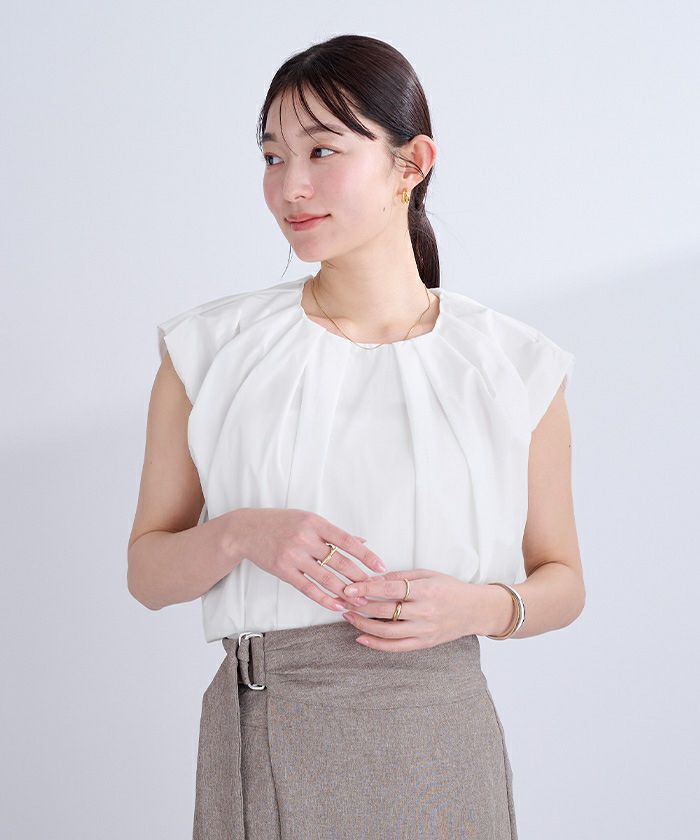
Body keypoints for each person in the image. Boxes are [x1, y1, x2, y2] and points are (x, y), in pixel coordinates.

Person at [128, 34, 584, 840]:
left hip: (443, 741)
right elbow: (147, 574)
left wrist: (477, 606)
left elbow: (564, 580)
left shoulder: (512, 364)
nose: (290, 186)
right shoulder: (209, 350)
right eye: (272, 157)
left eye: (321, 150)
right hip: (270, 729)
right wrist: (240, 533)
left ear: (412, 164)